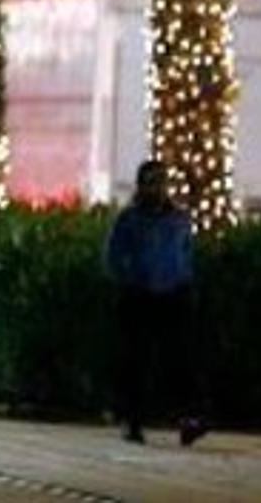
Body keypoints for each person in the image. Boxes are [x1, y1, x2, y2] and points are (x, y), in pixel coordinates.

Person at [103, 158, 206, 446]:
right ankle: (132, 419)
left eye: (161, 181)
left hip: (173, 294)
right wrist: (129, 278)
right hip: (139, 295)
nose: (157, 188)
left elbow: (185, 252)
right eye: (151, 182)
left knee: (181, 358)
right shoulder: (130, 219)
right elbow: (113, 255)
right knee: (136, 359)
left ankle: (190, 417)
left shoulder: (177, 219)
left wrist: (184, 280)